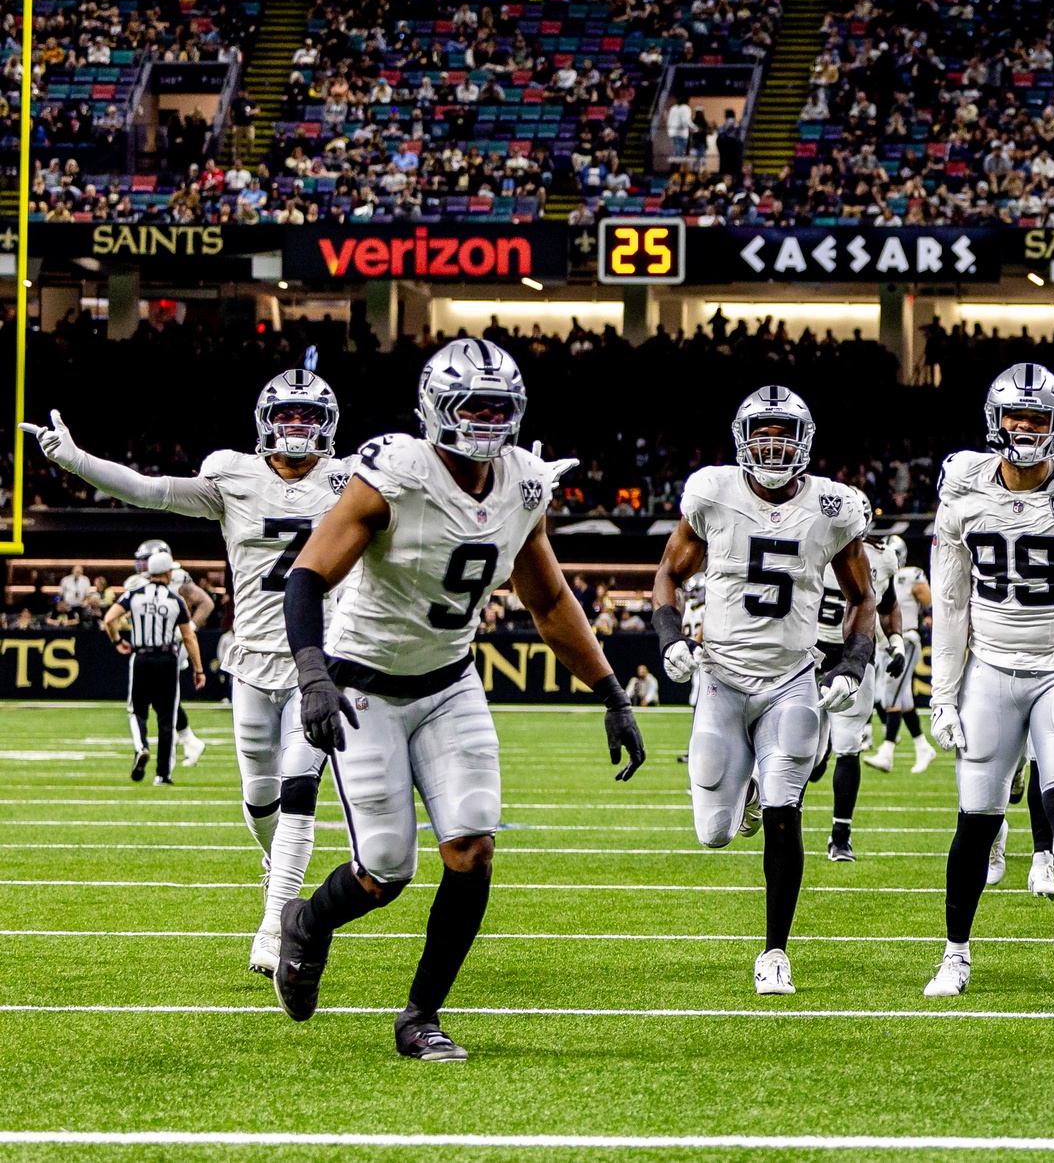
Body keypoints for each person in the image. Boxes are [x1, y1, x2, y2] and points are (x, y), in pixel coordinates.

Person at [274, 339, 644, 1059]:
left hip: (448, 680)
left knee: (472, 849)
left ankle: (420, 1015)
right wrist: (313, 673)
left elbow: (549, 599)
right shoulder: (393, 472)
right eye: (471, 406)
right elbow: (307, 575)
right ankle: (308, 922)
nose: (484, 421)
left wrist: (611, 691)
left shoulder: (524, 483)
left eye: (498, 408)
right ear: (435, 407)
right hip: (364, 684)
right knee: (385, 870)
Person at [23, 371, 349, 975]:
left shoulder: (349, 479)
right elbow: (149, 491)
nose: (297, 427)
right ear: (266, 421)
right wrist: (74, 459)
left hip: (317, 662)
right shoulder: (234, 476)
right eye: (288, 415)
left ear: (327, 423)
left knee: (299, 792)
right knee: (260, 798)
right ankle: (275, 865)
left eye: (308, 416)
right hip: (251, 661)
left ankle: (275, 928)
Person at [651, 386, 877, 995]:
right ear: (742, 439)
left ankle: (775, 951)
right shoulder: (712, 493)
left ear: (804, 441)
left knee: (785, 810)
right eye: (763, 433)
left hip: (791, 678)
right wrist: (671, 636)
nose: (773, 445)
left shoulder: (832, 506)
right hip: (722, 678)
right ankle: (744, 789)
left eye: (784, 434)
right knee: (714, 834)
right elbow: (669, 573)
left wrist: (852, 664)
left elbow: (862, 597)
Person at [921, 363, 1054, 998]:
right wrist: (943, 694)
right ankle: (955, 954)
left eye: (1037, 418)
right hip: (989, 668)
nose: (1026, 428)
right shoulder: (963, 494)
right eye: (1016, 416)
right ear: (995, 420)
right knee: (976, 817)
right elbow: (951, 603)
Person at [813, 534, 903, 861]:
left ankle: (841, 837)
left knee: (849, 746)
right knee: (807, 757)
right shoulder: (810, 539)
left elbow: (888, 605)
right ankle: (817, 756)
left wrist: (896, 642)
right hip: (810, 654)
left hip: (855, 656)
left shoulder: (882, 557)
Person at [103, 550, 207, 785]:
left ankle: (141, 747)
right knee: (167, 718)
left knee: (137, 711)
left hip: (141, 657)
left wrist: (117, 641)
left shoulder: (134, 594)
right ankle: (163, 774)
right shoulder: (175, 600)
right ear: (168, 572)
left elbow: (109, 619)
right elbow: (188, 636)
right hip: (167, 660)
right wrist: (198, 669)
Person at [869, 534, 935, 775]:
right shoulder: (876, 574)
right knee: (903, 699)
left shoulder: (910, 575)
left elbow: (930, 601)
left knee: (891, 695)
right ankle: (923, 746)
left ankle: (886, 752)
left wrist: (927, 619)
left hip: (906, 640)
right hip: (883, 644)